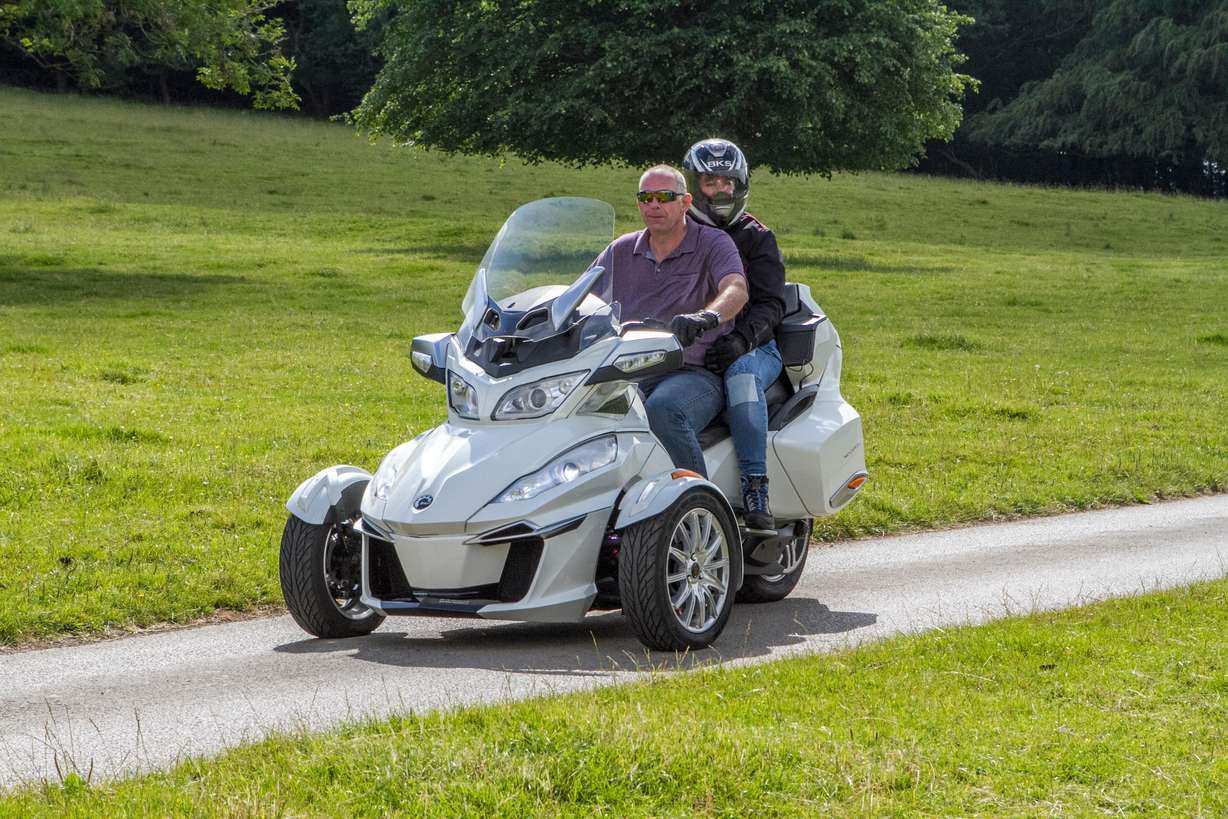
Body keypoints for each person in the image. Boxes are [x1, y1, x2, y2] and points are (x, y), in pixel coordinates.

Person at [592, 164, 747, 478]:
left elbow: (736, 288)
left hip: (692, 371)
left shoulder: (713, 243)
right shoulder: (620, 250)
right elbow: (579, 297)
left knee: (664, 411)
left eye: (664, 196)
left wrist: (708, 316)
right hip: (626, 368)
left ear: (685, 202)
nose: (654, 205)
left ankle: (698, 506)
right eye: (645, 197)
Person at [682, 139, 787, 530]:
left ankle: (755, 486)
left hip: (756, 347)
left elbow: (772, 304)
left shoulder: (757, 236)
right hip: (693, 346)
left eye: (728, 180)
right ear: (694, 183)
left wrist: (741, 341)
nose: (720, 190)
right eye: (711, 181)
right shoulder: (677, 231)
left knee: (741, 375)